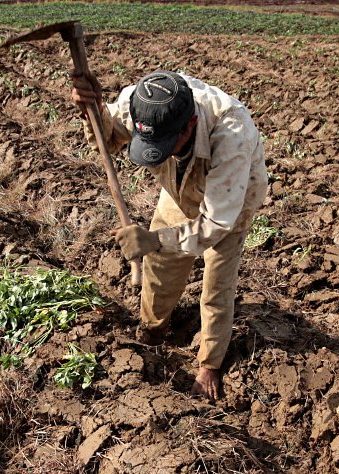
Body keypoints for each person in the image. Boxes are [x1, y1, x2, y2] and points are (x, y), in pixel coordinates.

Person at [71, 69, 268, 401]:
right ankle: (154, 327)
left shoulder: (232, 136)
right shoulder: (142, 104)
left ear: (189, 125)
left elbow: (214, 225)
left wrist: (154, 239)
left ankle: (210, 364)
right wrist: (93, 111)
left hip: (230, 200)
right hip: (179, 187)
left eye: (162, 144)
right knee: (160, 265)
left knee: (217, 285)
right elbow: (109, 139)